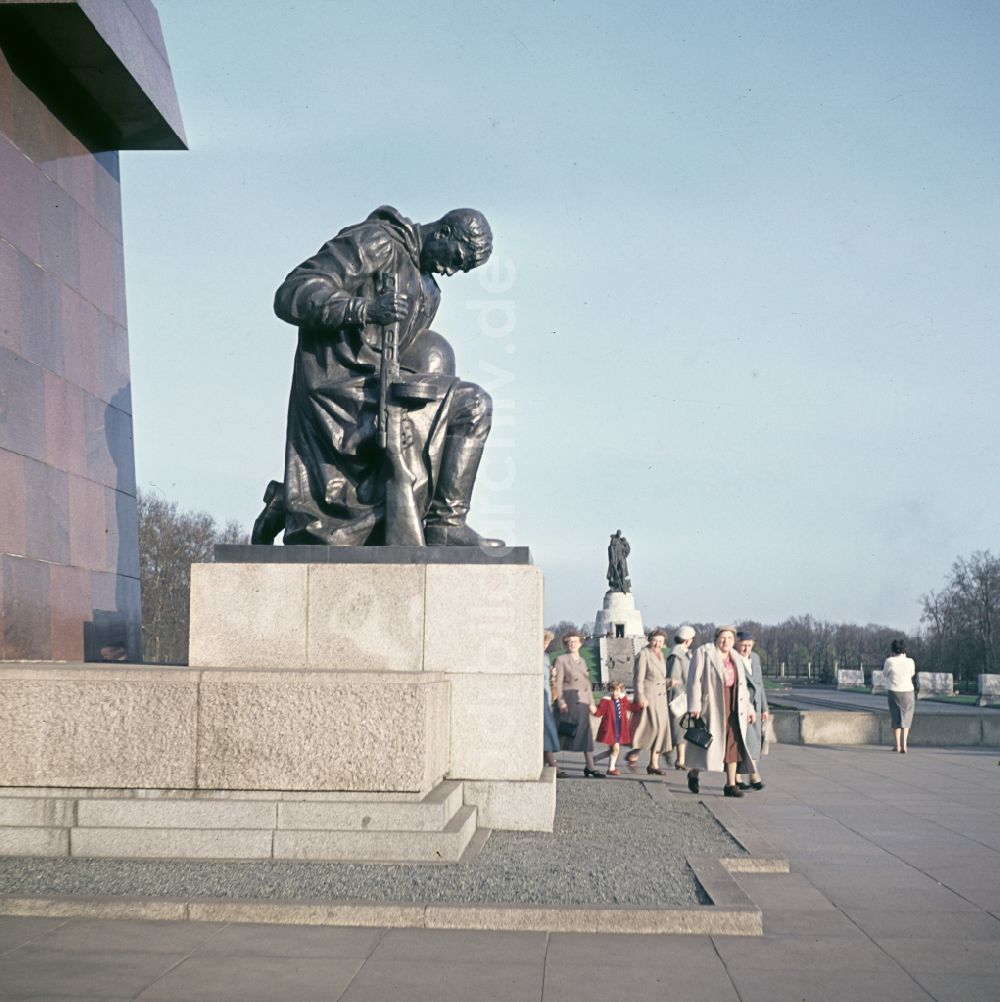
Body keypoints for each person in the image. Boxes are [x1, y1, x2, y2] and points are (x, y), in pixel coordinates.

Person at [261, 205, 502, 547]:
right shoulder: (377, 242)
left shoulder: (429, 289)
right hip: (339, 388)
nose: (452, 271)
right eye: (457, 258)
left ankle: (444, 522)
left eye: (462, 269)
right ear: (443, 233)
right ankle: (440, 522)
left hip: (383, 383)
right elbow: (292, 293)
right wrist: (364, 310)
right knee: (466, 405)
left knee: (463, 410)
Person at [685, 625, 754, 797]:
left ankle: (730, 785)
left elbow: (743, 686)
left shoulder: (736, 656)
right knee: (709, 745)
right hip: (713, 705)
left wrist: (749, 708)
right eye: (723, 638)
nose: (726, 641)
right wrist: (694, 705)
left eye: (730, 638)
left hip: (733, 704)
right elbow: (693, 680)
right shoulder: (704, 652)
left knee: (734, 743)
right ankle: (694, 773)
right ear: (716, 638)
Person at [552, 631, 603, 777]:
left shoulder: (582, 660)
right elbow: (558, 682)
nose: (572, 644)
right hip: (568, 701)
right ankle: (552, 765)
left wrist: (592, 703)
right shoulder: (561, 660)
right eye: (569, 642)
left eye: (575, 641)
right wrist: (561, 701)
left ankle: (590, 766)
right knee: (561, 733)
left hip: (582, 702)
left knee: (585, 734)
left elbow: (587, 684)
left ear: (580, 643)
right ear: (566, 644)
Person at [626, 629, 673, 775]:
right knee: (650, 729)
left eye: (660, 641)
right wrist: (640, 697)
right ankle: (634, 754)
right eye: (655, 640)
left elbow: (659, 678)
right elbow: (638, 679)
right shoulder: (643, 655)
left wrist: (670, 682)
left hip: (661, 698)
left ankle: (653, 763)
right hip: (649, 697)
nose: (657, 643)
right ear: (649, 640)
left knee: (660, 731)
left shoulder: (661, 656)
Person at [734, 630, 768, 790]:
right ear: (736, 643)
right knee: (750, 742)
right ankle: (754, 776)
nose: (746, 649)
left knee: (751, 743)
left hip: (756, 706)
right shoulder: (733, 658)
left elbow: (759, 685)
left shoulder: (755, 658)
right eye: (743, 645)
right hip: (741, 706)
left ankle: (738, 777)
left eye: (749, 646)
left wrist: (765, 708)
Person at [667, 625, 696, 770]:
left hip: (685, 696)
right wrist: (681, 695)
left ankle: (678, 757)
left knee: (681, 729)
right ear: (687, 640)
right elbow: (674, 678)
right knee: (679, 728)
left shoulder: (684, 653)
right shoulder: (677, 655)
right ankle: (680, 759)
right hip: (679, 698)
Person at [593, 680, 636, 774]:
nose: (615, 693)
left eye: (617, 690)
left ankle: (593, 760)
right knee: (616, 749)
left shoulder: (623, 699)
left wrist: (639, 707)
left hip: (619, 728)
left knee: (612, 750)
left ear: (621, 691)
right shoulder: (606, 700)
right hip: (610, 728)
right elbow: (599, 712)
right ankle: (611, 769)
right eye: (613, 690)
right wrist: (593, 710)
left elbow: (629, 707)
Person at [883, 637, 916, 753]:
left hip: (894, 691)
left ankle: (897, 745)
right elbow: (912, 673)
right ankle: (905, 745)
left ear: (893, 650)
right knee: (907, 718)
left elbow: (885, 674)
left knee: (896, 718)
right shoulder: (910, 661)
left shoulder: (889, 661)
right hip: (908, 691)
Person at [542, 631, 566, 777]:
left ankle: (548, 766)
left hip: (546, 700)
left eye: (547, 642)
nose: (545, 645)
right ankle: (554, 767)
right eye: (544, 641)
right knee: (546, 735)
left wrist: (553, 676)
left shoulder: (545, 657)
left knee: (547, 735)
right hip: (540, 701)